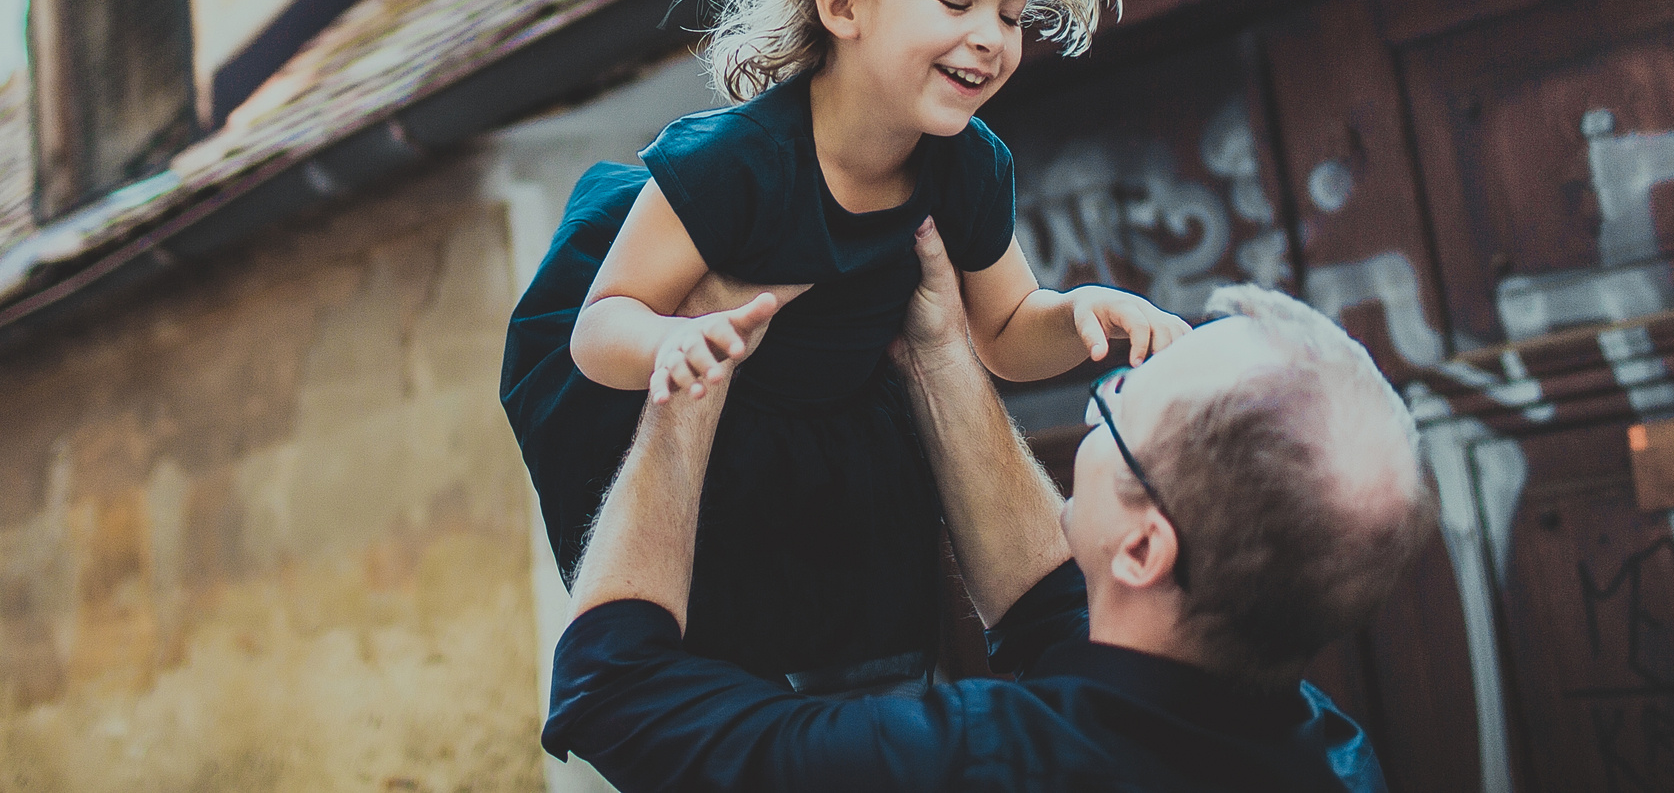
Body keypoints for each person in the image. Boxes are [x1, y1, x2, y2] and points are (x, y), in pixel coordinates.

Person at [501, 0, 1190, 684]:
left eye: (1009, 12)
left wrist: (1081, 315)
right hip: (716, 443)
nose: (990, 37)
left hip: (845, 446)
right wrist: (669, 344)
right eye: (957, 1)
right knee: (716, 670)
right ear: (842, 4)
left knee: (869, 661)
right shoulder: (734, 165)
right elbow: (598, 326)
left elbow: (1003, 334)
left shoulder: (968, 165)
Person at [543, 221, 1438, 791]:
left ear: (1142, 548)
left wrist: (693, 368)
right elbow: (1063, 617)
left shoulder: (971, 766)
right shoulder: (1334, 758)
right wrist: (937, 350)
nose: (1100, 402)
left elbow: (617, 690)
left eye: (1122, 399)